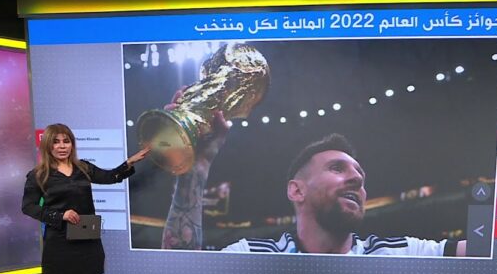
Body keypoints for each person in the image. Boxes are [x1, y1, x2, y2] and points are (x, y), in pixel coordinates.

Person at [160, 110, 466, 256]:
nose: (357, 179)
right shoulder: (254, 255)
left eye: (360, 176)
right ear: (296, 190)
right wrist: (196, 167)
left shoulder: (398, 254)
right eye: (337, 168)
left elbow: (483, 251)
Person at [22, 124, 150, 274]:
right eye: (56, 142)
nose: (62, 146)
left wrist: (129, 162)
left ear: (72, 144)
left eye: (66, 141)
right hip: (59, 237)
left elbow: (109, 176)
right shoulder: (38, 175)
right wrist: (59, 215)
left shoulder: (83, 168)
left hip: (85, 233)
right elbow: (28, 207)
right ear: (48, 146)